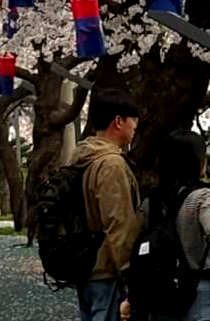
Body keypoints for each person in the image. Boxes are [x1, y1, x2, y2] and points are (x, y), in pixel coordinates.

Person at [125, 131, 210, 321]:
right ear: (196, 162)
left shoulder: (151, 201)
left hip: (159, 291)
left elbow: (134, 240)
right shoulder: (203, 197)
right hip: (199, 287)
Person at [71, 89, 142, 321]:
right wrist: (129, 271)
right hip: (106, 268)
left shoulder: (81, 156)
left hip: (84, 263)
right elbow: (118, 222)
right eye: (133, 119)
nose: (135, 126)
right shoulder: (111, 164)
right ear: (119, 121)